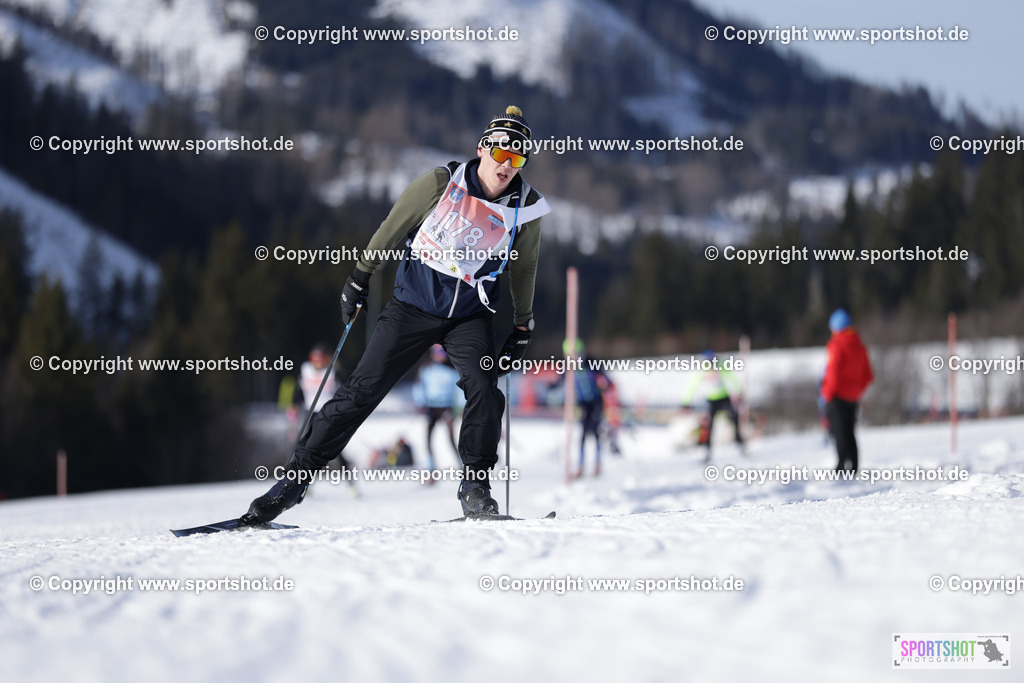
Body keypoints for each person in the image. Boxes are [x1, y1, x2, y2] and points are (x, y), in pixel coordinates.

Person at [245, 106, 550, 521]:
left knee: (483, 387)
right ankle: (294, 481)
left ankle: (476, 487)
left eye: (518, 157)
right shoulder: (441, 183)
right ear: (482, 149)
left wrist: (522, 324)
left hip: (469, 316)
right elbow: (391, 227)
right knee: (360, 392)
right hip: (413, 306)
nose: (507, 164)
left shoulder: (525, 207)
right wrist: (359, 277)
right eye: (500, 152)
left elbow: (525, 265)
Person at [292, 343, 359, 497]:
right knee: (310, 449)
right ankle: (306, 484)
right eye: (314, 358)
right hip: (311, 413)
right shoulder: (305, 370)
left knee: (336, 449)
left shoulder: (333, 371)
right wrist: (294, 405)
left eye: (320, 358)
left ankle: (350, 483)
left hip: (330, 413)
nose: (317, 362)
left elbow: (345, 389)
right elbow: (298, 390)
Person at [549, 340, 615, 478]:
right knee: (583, 435)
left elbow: (606, 379)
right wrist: (551, 387)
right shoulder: (569, 368)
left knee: (595, 433)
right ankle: (580, 465)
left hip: (596, 402)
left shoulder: (591, 363)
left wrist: (606, 386)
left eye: (577, 354)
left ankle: (597, 464)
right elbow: (560, 381)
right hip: (582, 404)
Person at [820, 308, 873, 473]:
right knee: (850, 431)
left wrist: (827, 395)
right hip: (853, 398)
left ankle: (841, 467)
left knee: (839, 433)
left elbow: (833, 373)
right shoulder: (859, 346)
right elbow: (868, 375)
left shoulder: (836, 346)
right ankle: (854, 466)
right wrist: (857, 390)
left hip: (837, 397)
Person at [681, 349, 745, 463]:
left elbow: (732, 378)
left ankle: (740, 444)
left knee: (735, 417)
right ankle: (707, 451)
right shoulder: (702, 370)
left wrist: (739, 391)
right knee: (709, 426)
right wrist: (686, 401)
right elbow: (693, 385)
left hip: (724, 398)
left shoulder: (721, 366)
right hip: (711, 400)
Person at [413, 344, 463, 479]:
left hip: (447, 407)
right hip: (431, 407)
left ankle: (463, 468)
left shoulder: (453, 369)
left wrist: (460, 407)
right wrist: (420, 403)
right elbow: (419, 386)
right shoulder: (426, 368)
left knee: (452, 439)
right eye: (437, 352)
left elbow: (459, 390)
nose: (440, 355)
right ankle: (431, 470)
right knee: (428, 440)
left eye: (442, 352)